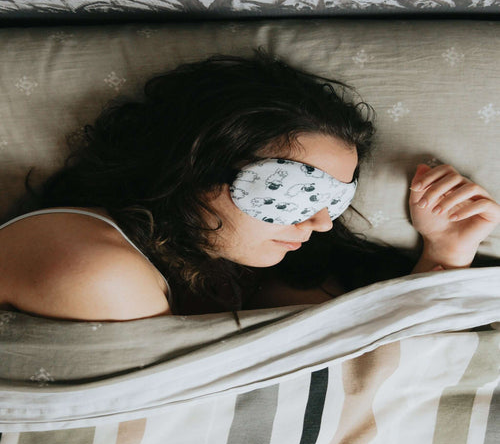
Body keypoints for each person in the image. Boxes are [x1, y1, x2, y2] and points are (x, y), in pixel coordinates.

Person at [0, 50, 498, 321]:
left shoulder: (229, 273)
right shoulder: (101, 271)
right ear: (193, 165)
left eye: (334, 199)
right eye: (293, 191)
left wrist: (444, 252)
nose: (321, 221)